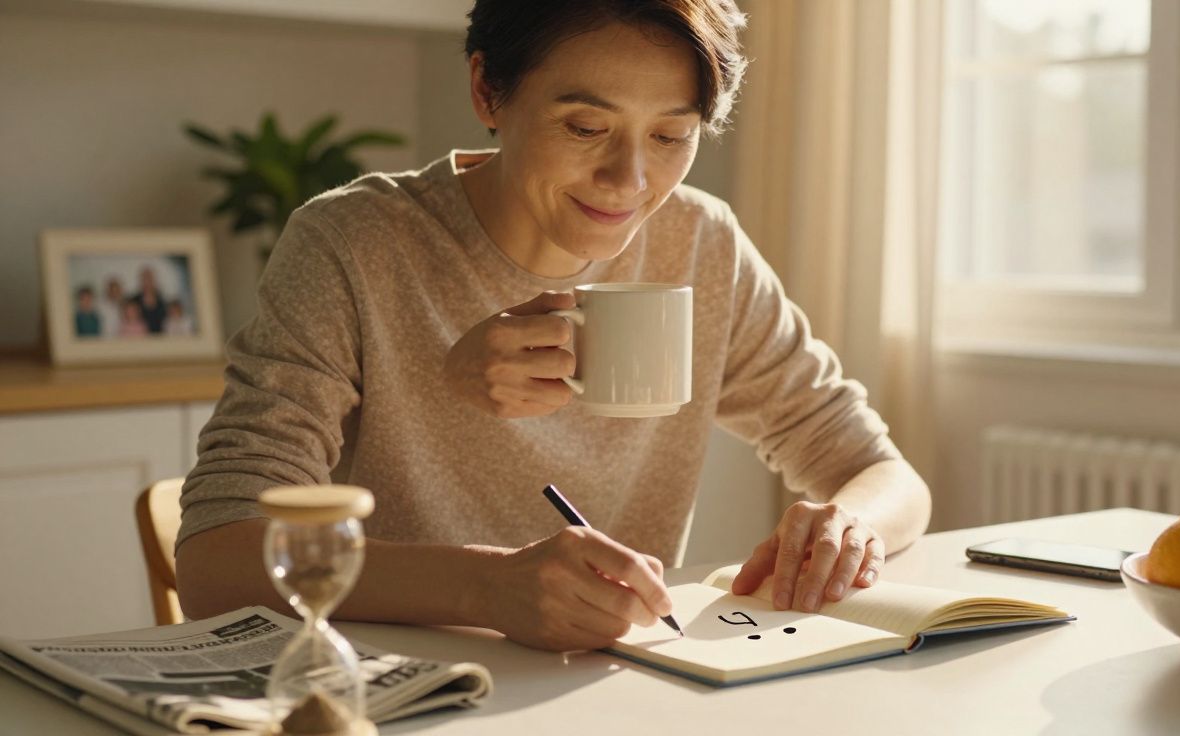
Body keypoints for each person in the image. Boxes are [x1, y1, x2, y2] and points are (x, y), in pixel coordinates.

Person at [176, 0, 931, 652]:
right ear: (487, 90)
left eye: (670, 136)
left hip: (614, 685)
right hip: (398, 692)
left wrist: (849, 527)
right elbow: (215, 561)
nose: (629, 180)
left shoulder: (701, 243)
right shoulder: (355, 243)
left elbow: (886, 475)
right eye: (584, 126)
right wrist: (484, 588)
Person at [130, 266, 167, 334]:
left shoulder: (162, 301)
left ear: (154, 281)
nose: (147, 282)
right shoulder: (133, 301)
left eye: (149, 279)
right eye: (144, 279)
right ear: (140, 281)